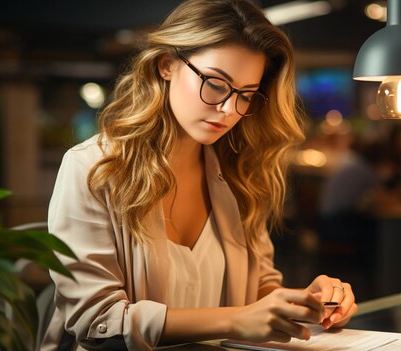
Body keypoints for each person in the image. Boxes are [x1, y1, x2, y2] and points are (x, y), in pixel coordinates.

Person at [41, 1, 357, 350]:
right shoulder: (93, 169)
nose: (227, 109)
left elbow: (258, 288)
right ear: (166, 65)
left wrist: (307, 302)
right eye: (216, 84)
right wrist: (236, 320)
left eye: (246, 95)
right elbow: (96, 320)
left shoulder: (239, 172)